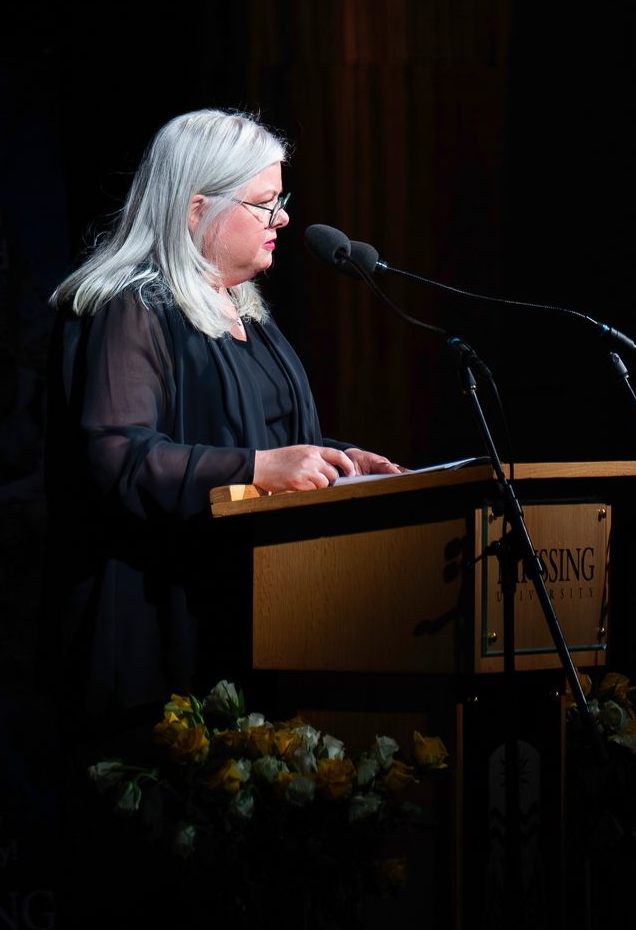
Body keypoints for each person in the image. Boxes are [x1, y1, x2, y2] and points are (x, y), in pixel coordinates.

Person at [43, 108, 398, 734]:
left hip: (262, 613)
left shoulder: (246, 312)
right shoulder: (132, 308)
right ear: (194, 210)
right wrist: (261, 470)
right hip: (166, 626)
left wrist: (337, 459)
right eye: (264, 202)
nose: (282, 217)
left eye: (279, 198)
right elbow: (118, 455)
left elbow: (265, 437)